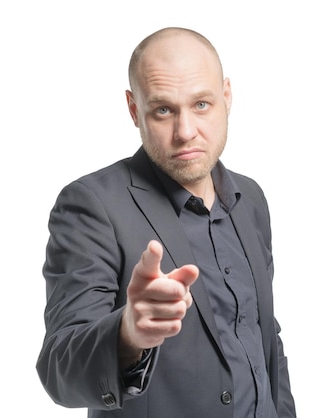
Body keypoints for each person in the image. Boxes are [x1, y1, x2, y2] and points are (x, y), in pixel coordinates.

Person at [36, 27, 297, 418]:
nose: (186, 131)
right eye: (163, 109)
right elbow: (60, 370)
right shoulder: (92, 205)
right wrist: (128, 334)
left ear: (226, 96)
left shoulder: (251, 198)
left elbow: (262, 337)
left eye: (202, 105)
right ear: (133, 109)